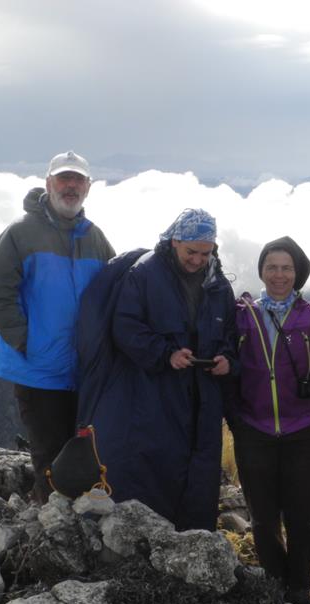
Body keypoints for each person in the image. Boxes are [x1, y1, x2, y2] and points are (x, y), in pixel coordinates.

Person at [82, 209, 237, 531]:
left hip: (202, 397)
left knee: (198, 470)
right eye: (191, 252)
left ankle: (193, 540)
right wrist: (165, 354)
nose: (198, 260)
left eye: (205, 253)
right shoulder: (145, 274)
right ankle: (148, 540)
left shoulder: (219, 285)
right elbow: (125, 327)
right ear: (175, 241)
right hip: (153, 391)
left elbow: (230, 335)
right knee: (154, 465)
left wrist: (226, 358)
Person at [0, 150, 115, 503]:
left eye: (78, 180)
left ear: (88, 187)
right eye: (63, 178)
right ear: (48, 183)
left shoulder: (95, 238)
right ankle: (49, 519)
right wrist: (27, 342)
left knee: (85, 449)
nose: (71, 186)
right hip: (38, 370)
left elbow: (115, 290)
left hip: (84, 368)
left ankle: (81, 516)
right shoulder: (20, 234)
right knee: (49, 451)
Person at [228, 237, 310, 604]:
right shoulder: (244, 315)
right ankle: (275, 582)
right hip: (253, 430)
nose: (279, 275)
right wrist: (237, 418)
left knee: (304, 514)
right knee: (262, 515)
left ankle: (300, 586)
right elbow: (231, 368)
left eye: (286, 268)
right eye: (271, 267)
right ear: (261, 271)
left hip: (304, 432)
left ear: (298, 272)